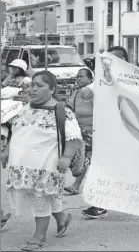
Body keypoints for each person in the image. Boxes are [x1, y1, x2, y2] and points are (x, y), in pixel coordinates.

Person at [4, 71, 84, 250]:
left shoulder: (62, 111)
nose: (33, 89)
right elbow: (16, 131)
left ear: (52, 89)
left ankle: (39, 237)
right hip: (24, 166)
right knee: (50, 196)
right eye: (32, 85)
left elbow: (74, 137)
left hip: (47, 165)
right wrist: (7, 151)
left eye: (39, 86)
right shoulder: (27, 107)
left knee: (40, 197)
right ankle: (63, 218)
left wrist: (66, 157)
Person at [80, 46, 129, 218]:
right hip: (106, 134)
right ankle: (98, 204)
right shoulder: (101, 81)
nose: (111, 60)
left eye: (116, 57)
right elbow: (90, 92)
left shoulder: (133, 80)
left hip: (129, 134)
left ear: (124, 59)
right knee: (102, 168)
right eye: (109, 57)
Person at [64, 68, 94, 196]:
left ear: (90, 79)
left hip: (90, 131)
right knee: (79, 157)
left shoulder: (92, 92)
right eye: (77, 77)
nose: (78, 79)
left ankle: (76, 186)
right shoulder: (75, 92)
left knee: (84, 158)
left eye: (82, 77)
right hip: (77, 131)